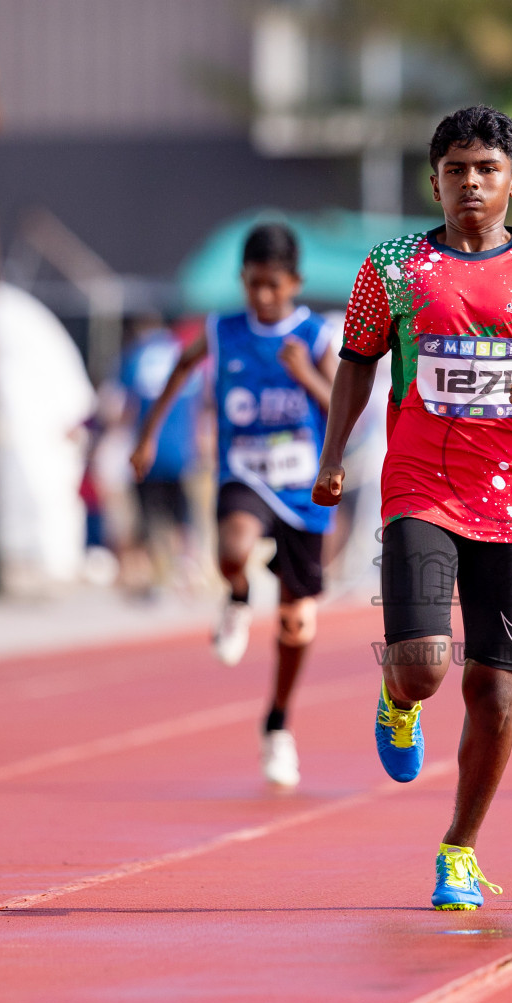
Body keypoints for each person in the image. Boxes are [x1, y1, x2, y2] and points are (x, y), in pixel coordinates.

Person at [312, 105, 512, 910]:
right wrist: (334, 454)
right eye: (456, 170)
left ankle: (459, 850)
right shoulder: (396, 264)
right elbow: (356, 363)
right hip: (419, 484)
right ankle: (397, 697)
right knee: (423, 665)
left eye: (486, 170)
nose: (471, 183)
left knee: (496, 693)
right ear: (435, 180)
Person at [131, 224, 339, 788]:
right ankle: (239, 594)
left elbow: (340, 404)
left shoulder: (314, 336)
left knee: (297, 621)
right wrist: (148, 436)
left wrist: (303, 375)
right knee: (232, 548)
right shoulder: (223, 331)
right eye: (253, 285)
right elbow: (178, 369)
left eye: (273, 286)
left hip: (303, 486)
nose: (263, 297)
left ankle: (276, 723)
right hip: (244, 471)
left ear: (294, 282)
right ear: (242, 282)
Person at [115, 315, 204, 597]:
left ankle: (149, 575)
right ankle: (186, 571)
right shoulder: (184, 352)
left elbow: (122, 406)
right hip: (182, 450)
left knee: (146, 515)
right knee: (182, 515)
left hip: (147, 449)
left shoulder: (134, 357)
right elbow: (202, 405)